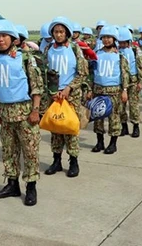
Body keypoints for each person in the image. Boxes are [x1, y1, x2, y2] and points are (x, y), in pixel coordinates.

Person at [0, 19, 43, 206]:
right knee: (8, 151)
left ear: (12, 38)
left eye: (4, 36)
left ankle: (31, 187)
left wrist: (35, 111)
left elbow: (36, 87)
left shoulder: (25, 57)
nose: (1, 40)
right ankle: (12, 184)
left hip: (25, 111)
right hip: (5, 112)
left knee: (30, 151)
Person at [43, 17, 88, 178]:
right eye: (56, 32)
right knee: (55, 127)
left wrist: (69, 88)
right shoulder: (48, 49)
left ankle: (73, 161)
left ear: (67, 33)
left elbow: (83, 73)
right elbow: (44, 72)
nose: (59, 34)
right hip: (54, 95)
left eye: (62, 32)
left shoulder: (75, 50)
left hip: (71, 95)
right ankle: (56, 160)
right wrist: (51, 90)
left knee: (70, 127)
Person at [88, 25, 130, 154]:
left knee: (114, 117)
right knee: (97, 117)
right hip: (98, 90)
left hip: (114, 91)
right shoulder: (96, 55)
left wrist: (124, 90)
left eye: (109, 37)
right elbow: (91, 73)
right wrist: (90, 89)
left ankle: (113, 143)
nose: (106, 40)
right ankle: (99, 142)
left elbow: (125, 74)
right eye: (104, 37)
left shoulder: (120, 56)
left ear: (114, 39)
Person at [118, 27, 142, 138]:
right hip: (120, 82)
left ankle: (136, 126)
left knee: (133, 105)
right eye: (120, 42)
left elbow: (140, 66)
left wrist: (140, 81)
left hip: (133, 80)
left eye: (124, 42)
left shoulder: (135, 50)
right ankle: (124, 126)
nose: (122, 44)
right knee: (120, 106)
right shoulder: (116, 51)